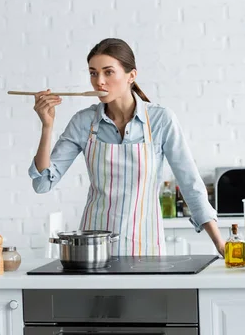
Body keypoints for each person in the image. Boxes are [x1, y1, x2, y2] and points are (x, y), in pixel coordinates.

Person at [28, 38, 225, 257]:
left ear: (131, 75)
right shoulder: (84, 122)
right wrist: (47, 126)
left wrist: (220, 243)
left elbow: (190, 183)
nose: (99, 81)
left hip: (146, 246)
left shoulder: (161, 120)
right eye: (93, 73)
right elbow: (42, 183)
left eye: (108, 72)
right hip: (94, 251)